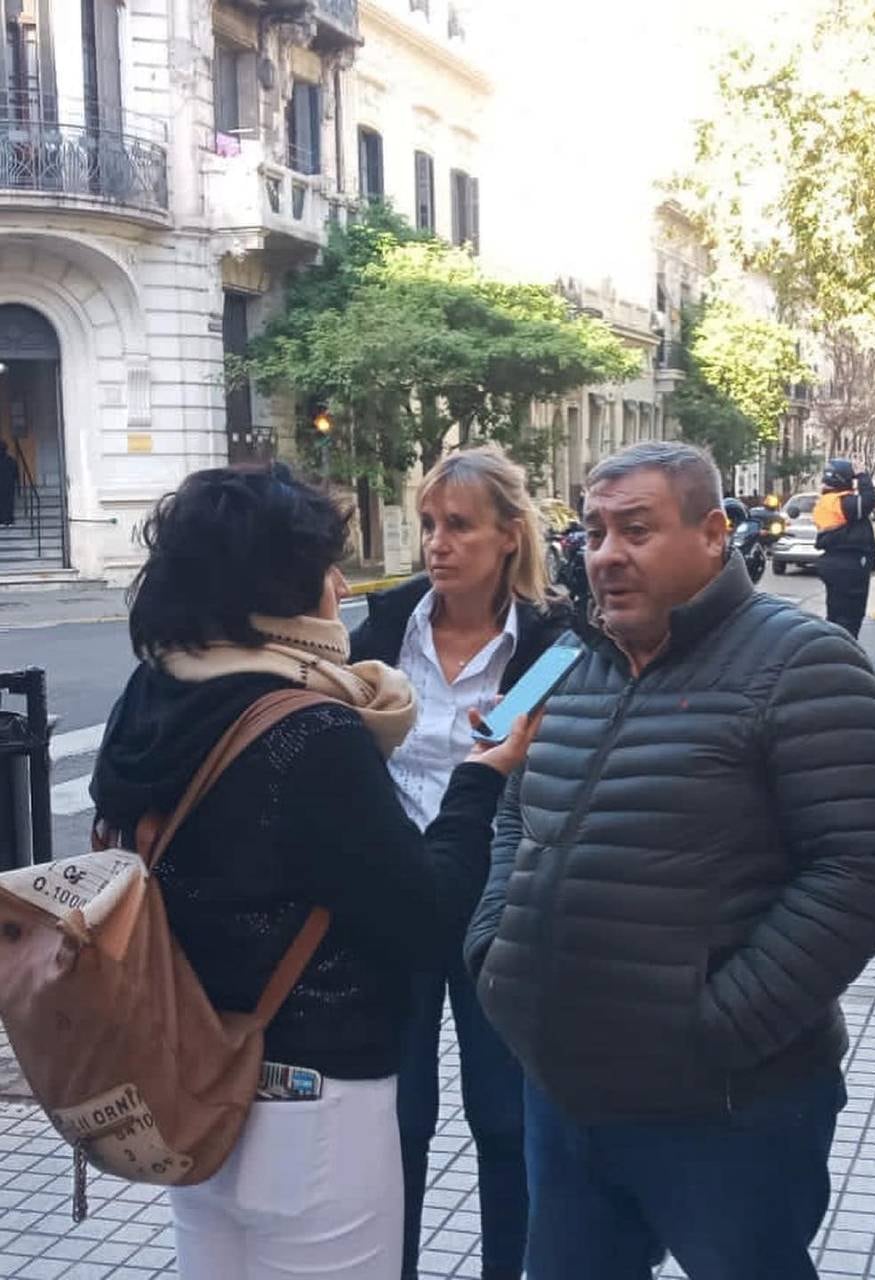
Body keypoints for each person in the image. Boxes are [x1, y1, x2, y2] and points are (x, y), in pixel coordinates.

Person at [465, 441, 875, 1280]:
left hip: (727, 1106)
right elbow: (513, 805)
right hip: (564, 1090)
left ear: (713, 533)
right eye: (594, 533)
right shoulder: (565, 658)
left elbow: (861, 870)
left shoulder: (806, 661)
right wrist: (497, 954)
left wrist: (716, 1029)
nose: (606, 556)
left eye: (635, 530)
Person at [90, 464, 536, 1280]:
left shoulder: (151, 695)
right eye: (326, 564)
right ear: (285, 584)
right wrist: (481, 777)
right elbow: (427, 919)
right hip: (312, 1101)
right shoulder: (307, 727)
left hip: (196, 1078)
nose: (341, 581)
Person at [350, 445, 574, 1280]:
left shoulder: (553, 641)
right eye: (431, 525)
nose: (438, 544)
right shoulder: (385, 622)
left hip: (501, 906)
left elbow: (533, 758)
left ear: (509, 537)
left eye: (460, 527)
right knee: (397, 1119)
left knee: (505, 1119)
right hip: (400, 899)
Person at [812, 457, 875, 639]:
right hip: (848, 563)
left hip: (832, 560)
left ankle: (833, 652)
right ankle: (844, 653)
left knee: (835, 612)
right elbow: (868, 502)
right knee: (850, 615)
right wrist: (863, 476)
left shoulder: (825, 501)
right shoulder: (842, 502)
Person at [0, 439, 17, 526]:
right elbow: (15, 473)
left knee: (2, 503)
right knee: (9, 503)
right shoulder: (11, 460)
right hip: (9, 485)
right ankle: (9, 519)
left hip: (3, 485)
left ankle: (3, 519)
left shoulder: (11, 460)